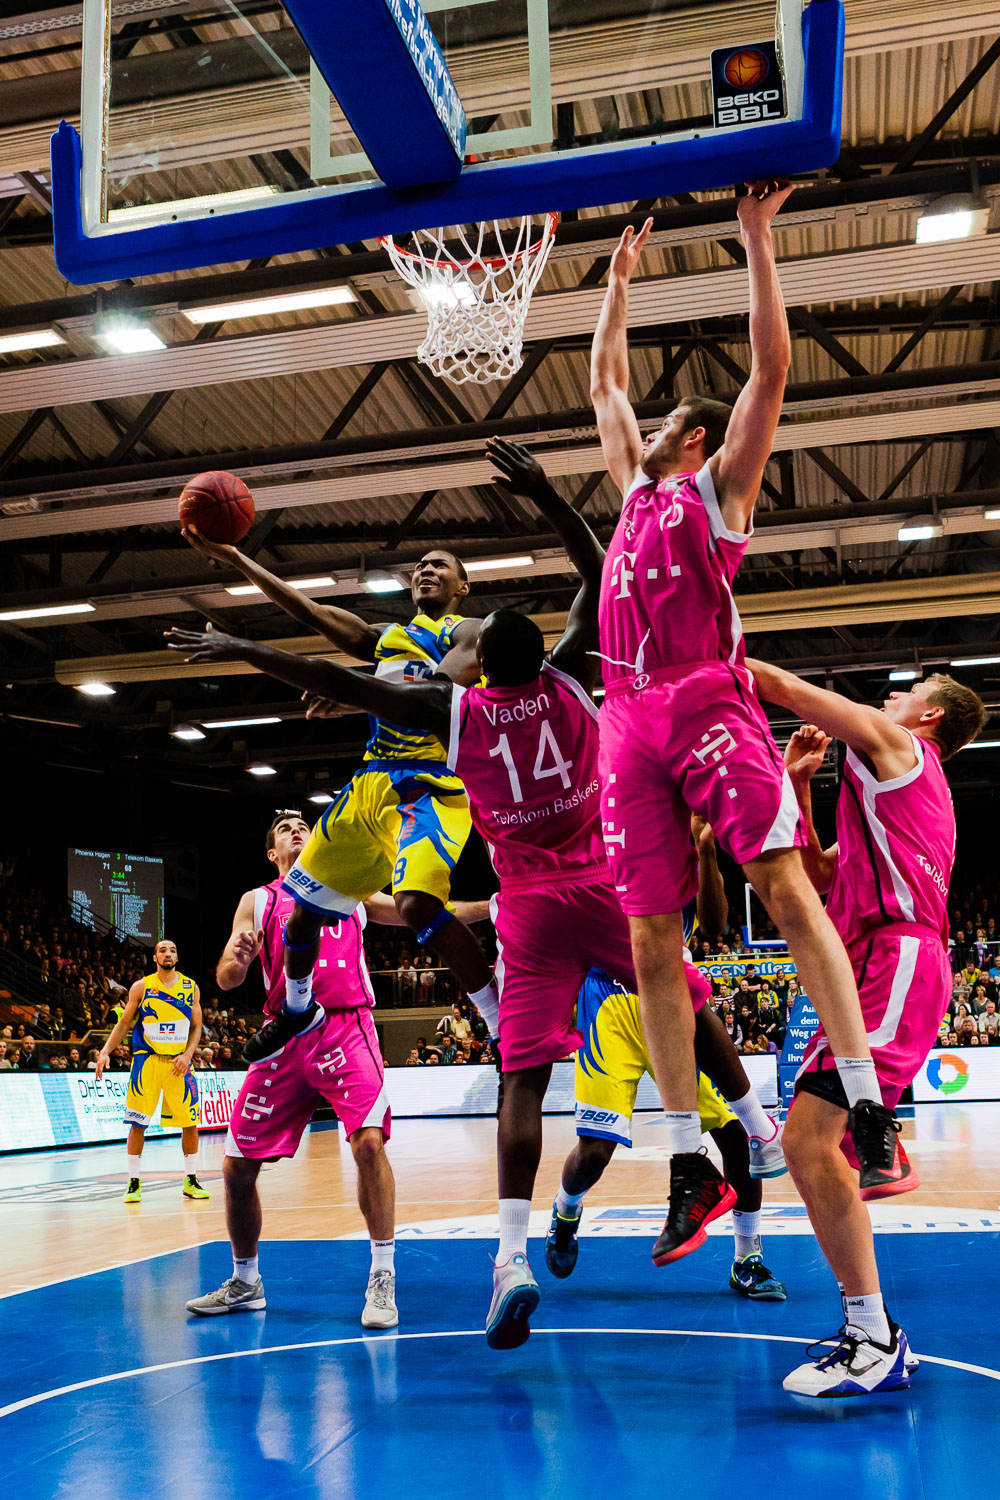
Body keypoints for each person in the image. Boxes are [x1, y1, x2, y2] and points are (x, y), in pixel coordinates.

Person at [167, 438, 782, 1347]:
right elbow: (596, 573)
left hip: (520, 894)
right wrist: (545, 494)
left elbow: (331, 677)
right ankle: (758, 1130)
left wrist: (242, 647)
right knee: (682, 997)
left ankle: (509, 1255)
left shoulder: (459, 714)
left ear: (475, 665)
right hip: (598, 883)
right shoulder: (574, 678)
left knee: (520, 1078)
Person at [588, 180, 894, 1218]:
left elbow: (772, 369)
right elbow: (601, 386)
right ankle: (687, 1159)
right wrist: (615, 287)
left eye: (671, 420)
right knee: (646, 942)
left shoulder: (718, 494)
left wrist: (754, 238)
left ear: (693, 438)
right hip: (623, 714)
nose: (658, 419)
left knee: (782, 890)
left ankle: (865, 1101)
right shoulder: (632, 492)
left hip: (705, 701)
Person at [749, 661, 986, 1396]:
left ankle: (873, 1334)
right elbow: (822, 875)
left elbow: (788, 690)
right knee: (809, 1141)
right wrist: (798, 784)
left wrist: (708, 646)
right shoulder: (888, 796)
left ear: (931, 717)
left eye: (910, 690)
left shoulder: (902, 750)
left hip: (897, 956)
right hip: (870, 963)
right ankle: (872, 1324)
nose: (893, 694)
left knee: (805, 1140)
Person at [179, 526, 500, 1064]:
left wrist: (351, 694)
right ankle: (300, 1008)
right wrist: (237, 558)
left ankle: (496, 1023)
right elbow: (310, 613)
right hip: (369, 783)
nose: (425, 570)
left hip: (427, 786)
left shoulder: (471, 631)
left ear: (463, 586)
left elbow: (429, 698)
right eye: (419, 564)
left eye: (440, 565)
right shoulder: (390, 638)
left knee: (417, 904)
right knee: (301, 912)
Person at [185, 810, 487, 1326]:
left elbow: (429, 913)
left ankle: (383, 1276)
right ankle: (245, 1281)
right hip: (284, 1033)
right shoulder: (256, 901)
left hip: (345, 1028)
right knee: (235, 1168)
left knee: (369, 1143)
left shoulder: (349, 890)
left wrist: (496, 907)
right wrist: (237, 956)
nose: (297, 830)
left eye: (304, 824)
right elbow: (229, 979)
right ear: (271, 853)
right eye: (284, 828)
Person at [96, 938, 209, 1202]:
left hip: (179, 1064)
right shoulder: (142, 986)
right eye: (162, 950)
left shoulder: (190, 987)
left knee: (189, 1123)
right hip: (146, 1062)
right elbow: (124, 1023)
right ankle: (133, 1183)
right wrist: (105, 1052)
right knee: (137, 1124)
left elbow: (196, 1027)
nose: (168, 953)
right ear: (155, 958)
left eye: (172, 950)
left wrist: (188, 1054)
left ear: (177, 958)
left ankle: (191, 1180)